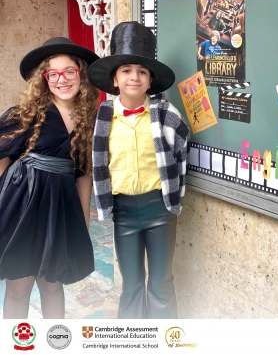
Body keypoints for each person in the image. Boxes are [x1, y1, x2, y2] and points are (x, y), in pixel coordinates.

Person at [88, 21, 190, 319]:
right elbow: (99, 162)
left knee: (161, 282)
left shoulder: (167, 114)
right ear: (115, 79)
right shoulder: (103, 117)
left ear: (150, 80)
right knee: (131, 284)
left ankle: (164, 337)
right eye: (126, 70)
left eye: (142, 71)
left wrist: (173, 198)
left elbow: (181, 154)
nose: (134, 77)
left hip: (159, 208)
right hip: (124, 212)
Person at [0, 37, 99, 318]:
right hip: (21, 205)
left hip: (60, 208)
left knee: (53, 285)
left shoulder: (89, 120)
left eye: (69, 71)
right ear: (44, 80)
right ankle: (14, 341)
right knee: (19, 287)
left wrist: (83, 223)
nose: (61, 79)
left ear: (81, 74)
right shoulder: (27, 113)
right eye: (52, 74)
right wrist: (9, 194)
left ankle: (55, 340)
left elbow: (84, 176)